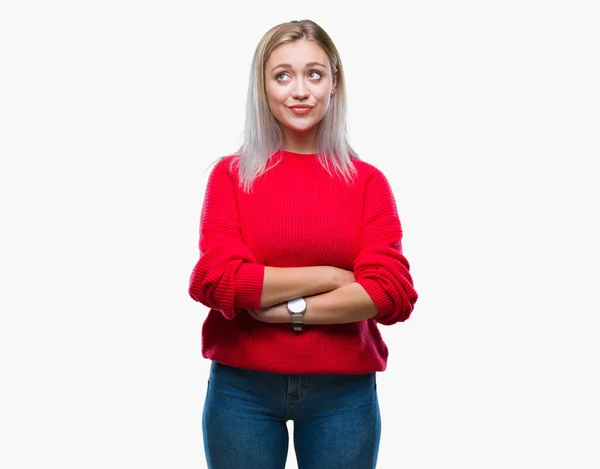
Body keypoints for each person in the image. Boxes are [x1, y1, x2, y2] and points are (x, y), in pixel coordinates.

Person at [188, 19, 418, 469]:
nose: (300, 91)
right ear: (264, 87)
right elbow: (218, 281)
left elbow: (390, 293)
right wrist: (332, 277)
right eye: (282, 75)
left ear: (335, 84)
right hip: (242, 391)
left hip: (343, 394)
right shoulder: (230, 177)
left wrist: (281, 308)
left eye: (314, 74)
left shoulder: (367, 182)